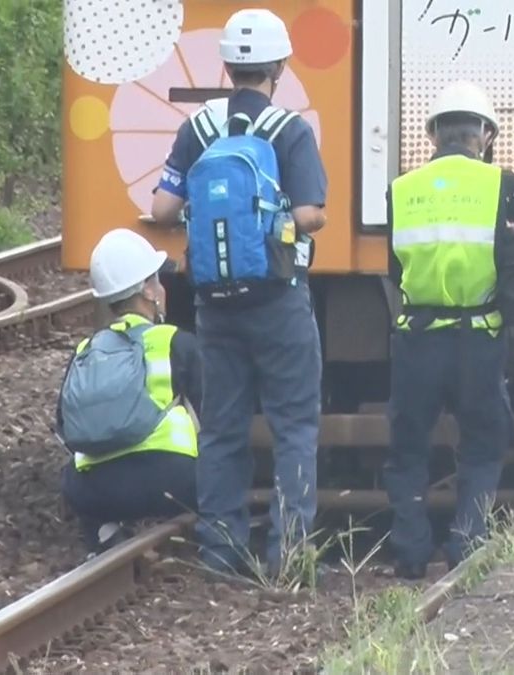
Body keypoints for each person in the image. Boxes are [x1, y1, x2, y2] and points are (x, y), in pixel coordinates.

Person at [148, 8, 326, 578]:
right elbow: (309, 215)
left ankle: (220, 552)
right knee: (294, 426)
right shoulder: (291, 131)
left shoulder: (195, 129)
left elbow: (163, 209)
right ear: (279, 66)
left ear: (225, 65)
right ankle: (290, 553)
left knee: (222, 426)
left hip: (214, 302)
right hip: (278, 299)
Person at [383, 80, 514, 580]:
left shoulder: (402, 191)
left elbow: (394, 267)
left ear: (433, 135)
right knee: (482, 444)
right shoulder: (501, 184)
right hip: (479, 340)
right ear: (485, 135)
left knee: (408, 448)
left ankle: (410, 552)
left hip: (418, 339)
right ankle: (467, 543)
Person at [57, 229, 201, 555]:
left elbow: (64, 428)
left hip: (91, 489)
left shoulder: (85, 350)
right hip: (170, 483)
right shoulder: (174, 342)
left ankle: (104, 534)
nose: (163, 290)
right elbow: (216, 416)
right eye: (157, 282)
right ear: (148, 291)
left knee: (75, 475)